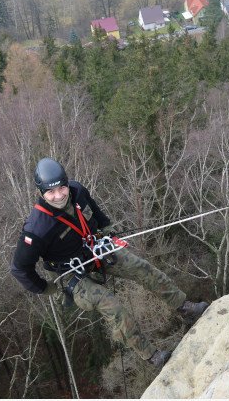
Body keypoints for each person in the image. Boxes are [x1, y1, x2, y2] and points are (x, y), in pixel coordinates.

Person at [11, 157, 208, 368]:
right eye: (51, 192)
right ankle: (151, 355)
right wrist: (45, 288)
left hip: (96, 249)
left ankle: (184, 307)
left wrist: (106, 231)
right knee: (113, 306)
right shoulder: (36, 229)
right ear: (41, 193)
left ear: (67, 183)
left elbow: (96, 212)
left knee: (141, 267)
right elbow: (20, 268)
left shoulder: (77, 191)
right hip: (73, 273)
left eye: (61, 188)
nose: (58, 196)